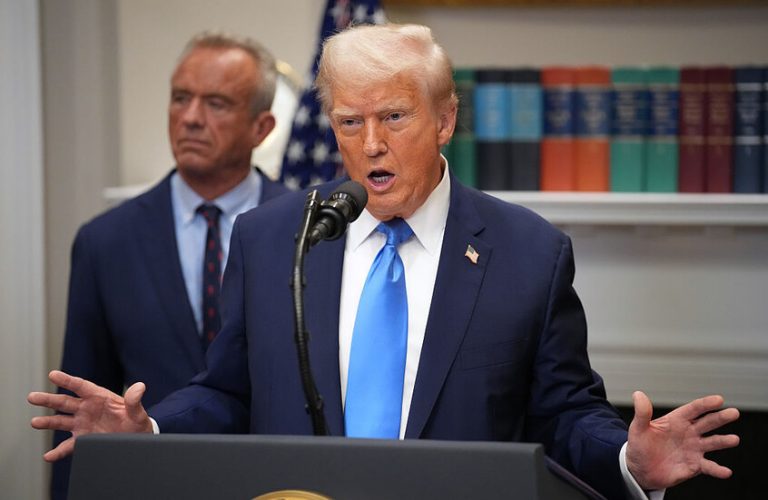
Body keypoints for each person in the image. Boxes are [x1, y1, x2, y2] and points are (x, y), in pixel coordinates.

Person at [31, 24, 739, 500]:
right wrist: (149, 432)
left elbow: (564, 411)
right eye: (350, 121)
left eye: (394, 117)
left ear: (444, 120)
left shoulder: (528, 252)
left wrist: (627, 459)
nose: (370, 143)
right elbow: (226, 391)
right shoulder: (273, 238)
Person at [47, 31, 290, 499]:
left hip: (277, 483)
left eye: (216, 104)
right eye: (181, 98)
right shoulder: (106, 241)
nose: (191, 118)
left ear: (261, 128)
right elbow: (81, 411)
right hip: (153, 485)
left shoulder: (307, 230)